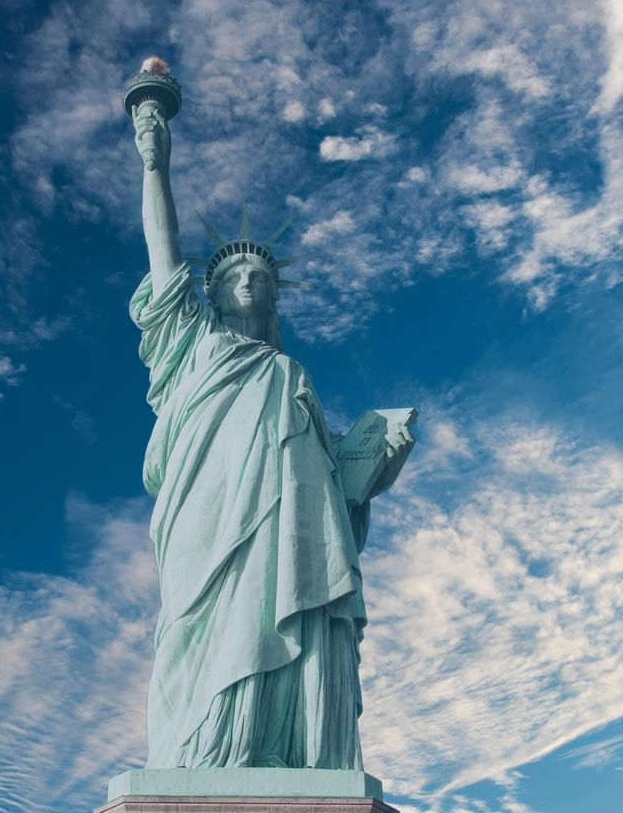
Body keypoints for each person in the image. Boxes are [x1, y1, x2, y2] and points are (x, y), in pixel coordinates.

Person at [128, 90, 414, 771]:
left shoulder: (292, 376)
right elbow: (163, 254)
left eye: (261, 275)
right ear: (214, 292)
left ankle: (284, 751)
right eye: (235, 274)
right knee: (202, 629)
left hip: (288, 533)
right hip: (207, 517)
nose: (250, 282)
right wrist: (154, 165)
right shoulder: (190, 345)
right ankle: (204, 756)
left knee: (292, 617)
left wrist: (371, 467)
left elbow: (332, 492)